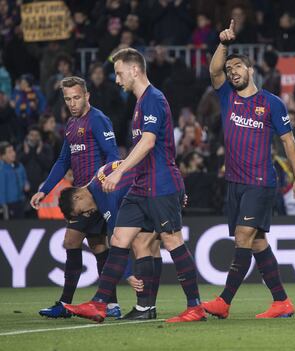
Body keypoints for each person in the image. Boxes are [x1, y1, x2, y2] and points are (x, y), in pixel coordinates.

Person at [64, 48, 206, 323]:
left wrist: (119, 172)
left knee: (171, 240)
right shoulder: (141, 103)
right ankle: (103, 304)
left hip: (161, 184)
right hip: (142, 186)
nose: (117, 80)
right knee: (121, 238)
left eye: (119, 73)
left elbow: (149, 142)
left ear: (135, 70)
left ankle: (195, 306)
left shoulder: (153, 99)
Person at [202, 20, 295, 319]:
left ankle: (224, 302)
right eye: (229, 68)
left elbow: (288, 141)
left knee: (243, 237)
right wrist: (223, 44)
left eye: (237, 66)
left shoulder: (271, 103)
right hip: (234, 182)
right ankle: (281, 302)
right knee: (257, 242)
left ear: (250, 70)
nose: (232, 71)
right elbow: (213, 71)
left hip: (260, 182)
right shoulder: (227, 97)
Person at [30, 76, 123, 319]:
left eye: (76, 97)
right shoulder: (71, 124)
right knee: (98, 245)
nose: (72, 103)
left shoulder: (98, 120)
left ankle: (65, 304)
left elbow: (113, 155)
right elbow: (63, 161)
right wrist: (44, 190)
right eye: (68, 99)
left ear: (87, 96)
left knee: (72, 242)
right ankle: (111, 304)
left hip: (95, 197)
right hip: (82, 197)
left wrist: (103, 185)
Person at [58, 161, 161, 320]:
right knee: (153, 245)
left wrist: (128, 274)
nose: (86, 215)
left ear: (78, 196)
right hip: (158, 185)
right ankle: (148, 306)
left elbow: (118, 235)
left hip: (152, 190)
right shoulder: (98, 179)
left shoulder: (103, 194)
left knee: (145, 242)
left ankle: (107, 302)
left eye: (81, 212)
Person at [0, 141, 29, 219]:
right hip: (7, 204)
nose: (13, 153)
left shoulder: (19, 166)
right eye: (9, 152)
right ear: (2, 156)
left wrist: (26, 184)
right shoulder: (1, 169)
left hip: (20, 201)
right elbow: (1, 189)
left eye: (13, 150)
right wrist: (3, 205)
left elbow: (25, 179)